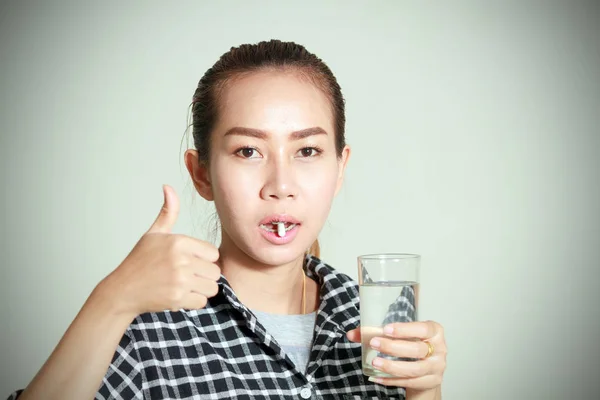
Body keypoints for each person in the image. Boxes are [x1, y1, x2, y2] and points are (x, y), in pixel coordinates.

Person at [7, 39, 447, 400]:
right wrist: (111, 300)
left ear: (340, 168)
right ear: (202, 173)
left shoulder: (370, 318)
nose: (280, 184)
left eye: (307, 151)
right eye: (248, 151)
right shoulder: (145, 331)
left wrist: (425, 393)